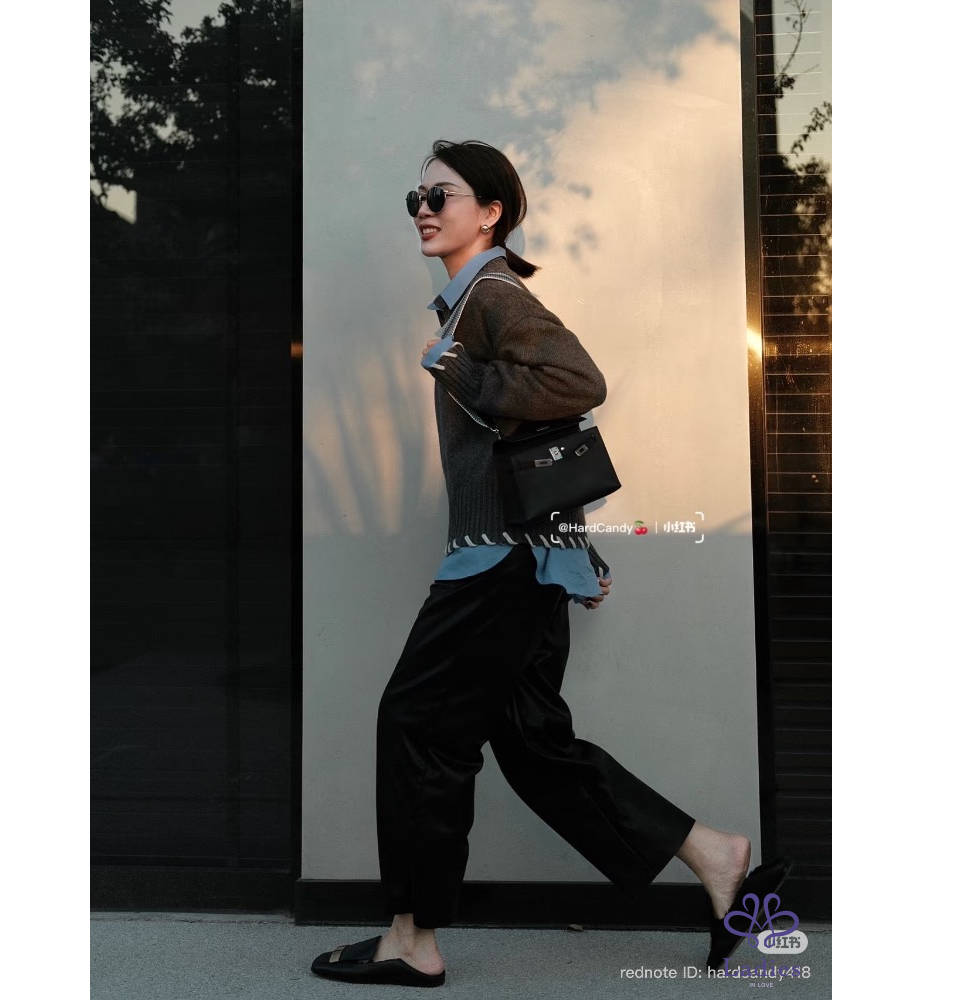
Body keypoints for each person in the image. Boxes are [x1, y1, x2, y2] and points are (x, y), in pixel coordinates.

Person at [311, 139, 789, 988]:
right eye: (416, 198)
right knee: (534, 745)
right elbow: (537, 450)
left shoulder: (492, 296)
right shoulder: (468, 304)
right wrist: (574, 551)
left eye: (441, 196)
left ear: (490, 211)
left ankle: (412, 940)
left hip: (497, 563)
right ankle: (714, 855)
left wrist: (464, 372)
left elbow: (577, 383)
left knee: (417, 724)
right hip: (526, 559)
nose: (423, 210)